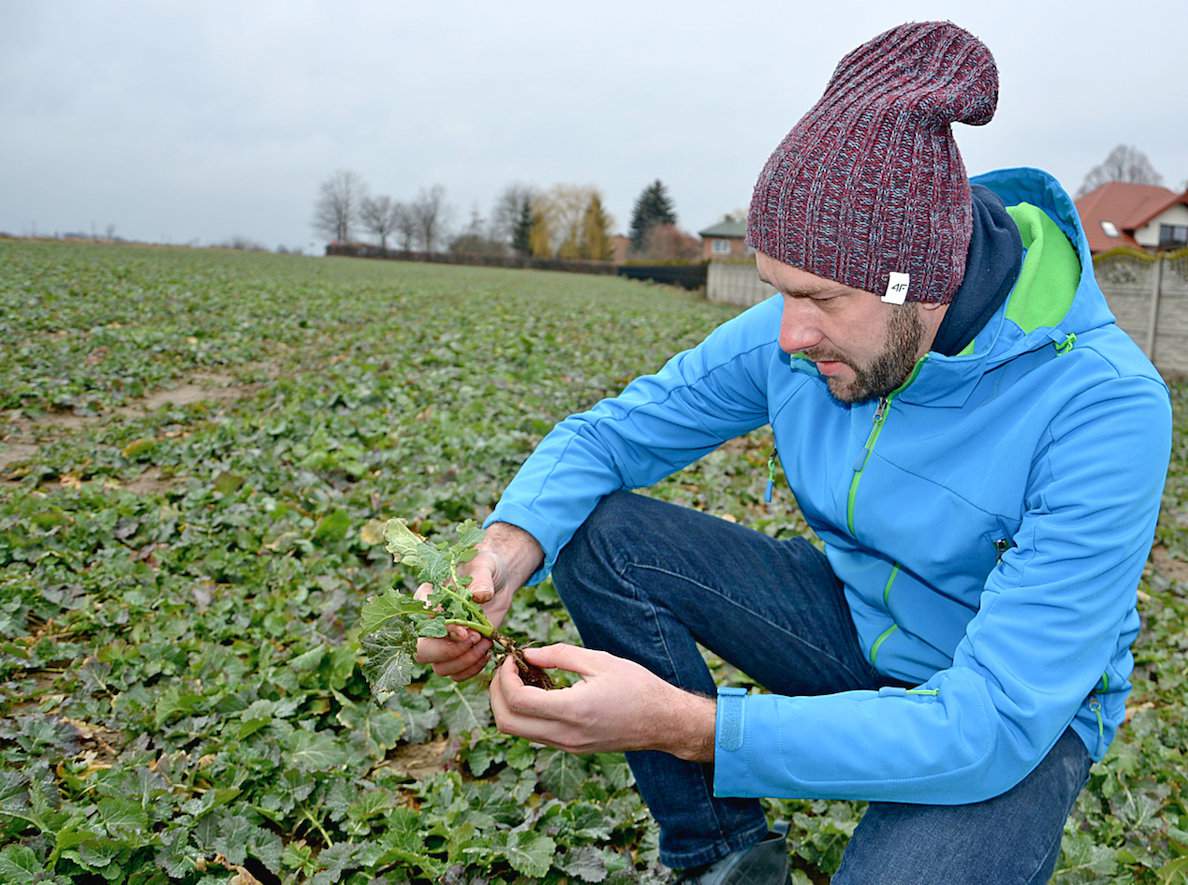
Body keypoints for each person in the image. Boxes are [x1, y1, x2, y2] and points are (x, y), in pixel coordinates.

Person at [414, 21, 1172, 885]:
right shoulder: (812, 331)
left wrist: (687, 723)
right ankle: (724, 856)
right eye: (779, 290)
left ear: (919, 282)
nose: (788, 333)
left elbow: (989, 720)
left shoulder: (1103, 408)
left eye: (817, 298)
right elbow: (610, 432)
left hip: (1008, 713)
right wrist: (506, 550)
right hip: (855, 622)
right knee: (596, 529)